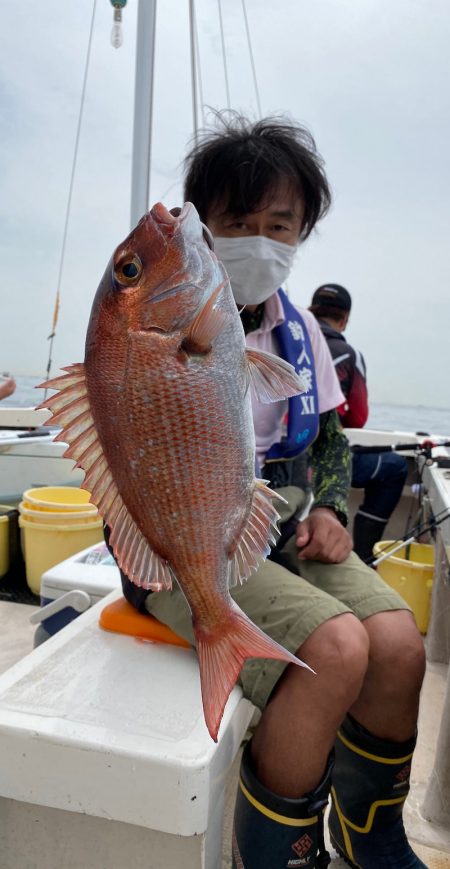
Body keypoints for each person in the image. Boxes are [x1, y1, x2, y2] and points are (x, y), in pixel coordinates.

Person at [114, 115, 427, 868]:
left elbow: (324, 435)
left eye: (278, 224)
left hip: (275, 527)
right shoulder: (156, 324)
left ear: (301, 233)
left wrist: (326, 505)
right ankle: (280, 853)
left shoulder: (302, 331)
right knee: (337, 648)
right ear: (202, 226)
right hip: (176, 542)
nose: (259, 239)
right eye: (237, 221)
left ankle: (367, 829)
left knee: (399, 644)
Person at [309, 284, 408, 562]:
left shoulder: (286, 341)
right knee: (395, 468)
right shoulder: (349, 355)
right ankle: (365, 555)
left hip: (278, 461)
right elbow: (357, 419)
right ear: (345, 319)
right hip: (319, 460)